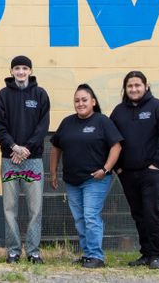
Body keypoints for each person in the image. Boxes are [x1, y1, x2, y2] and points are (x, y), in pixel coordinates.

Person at [49, 84, 123, 269]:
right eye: (77, 100)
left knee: (90, 216)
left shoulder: (102, 121)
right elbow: (56, 148)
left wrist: (105, 169)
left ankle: (97, 256)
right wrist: (53, 173)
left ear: (93, 102)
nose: (80, 103)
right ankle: (88, 254)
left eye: (84, 100)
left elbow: (117, 146)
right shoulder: (67, 122)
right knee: (80, 219)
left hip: (95, 179)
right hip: (72, 181)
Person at [110, 70, 159, 270]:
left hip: (152, 172)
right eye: (130, 86)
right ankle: (146, 254)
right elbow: (110, 139)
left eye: (137, 85)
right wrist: (118, 167)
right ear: (125, 89)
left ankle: (156, 255)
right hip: (128, 173)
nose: (134, 89)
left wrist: (157, 163)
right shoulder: (119, 111)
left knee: (150, 212)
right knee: (138, 214)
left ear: (146, 86)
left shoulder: (157, 107)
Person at [0, 55, 50, 264]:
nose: (21, 72)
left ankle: (33, 251)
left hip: (33, 160)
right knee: (9, 208)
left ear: (31, 71)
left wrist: (26, 149)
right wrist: (14, 147)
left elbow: (43, 126)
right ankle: (13, 251)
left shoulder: (41, 95)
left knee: (35, 208)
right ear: (11, 71)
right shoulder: (2, 96)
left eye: (25, 68)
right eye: (17, 68)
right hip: (10, 160)